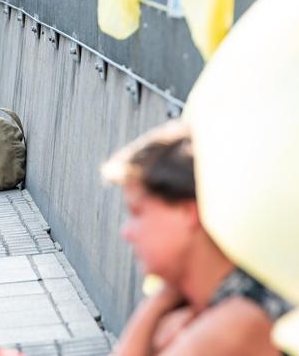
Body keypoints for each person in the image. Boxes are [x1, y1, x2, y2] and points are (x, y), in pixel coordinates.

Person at [103, 120, 291, 356]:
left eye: (138, 212)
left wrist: (155, 308)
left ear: (188, 213)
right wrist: (162, 299)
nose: (127, 232)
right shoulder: (232, 295)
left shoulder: (234, 324)